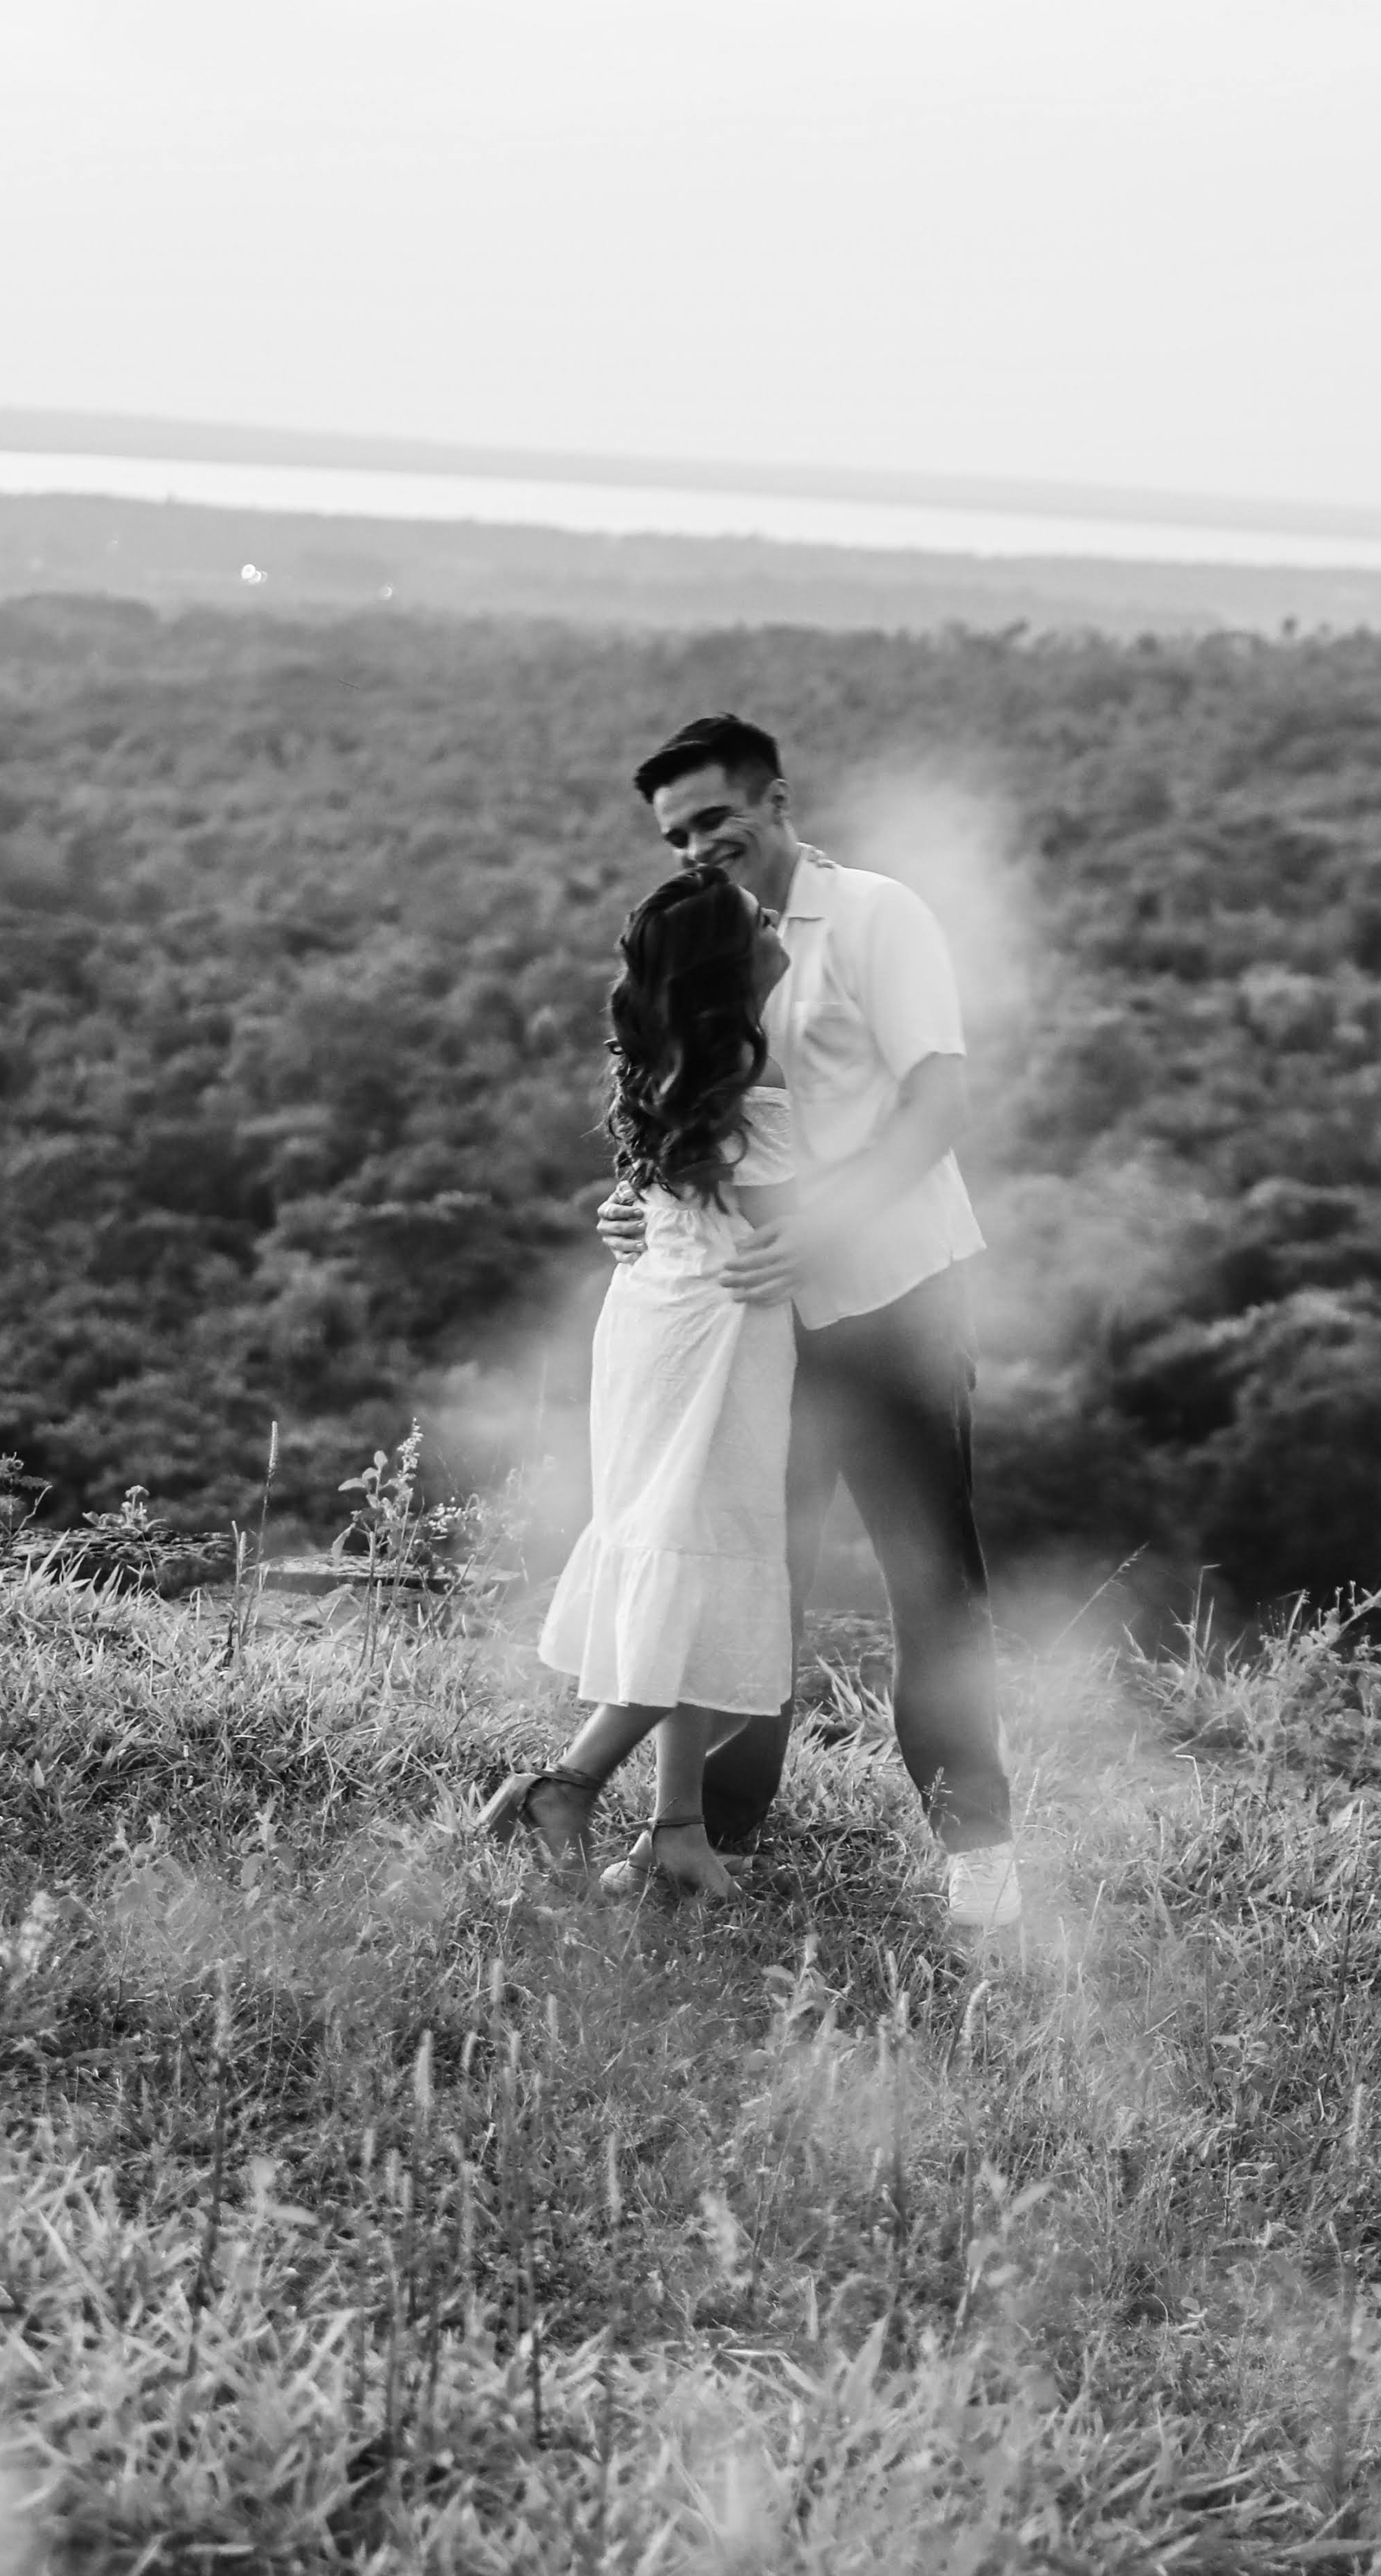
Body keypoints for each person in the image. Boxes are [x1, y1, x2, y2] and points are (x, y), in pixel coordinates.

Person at [598, 711, 1020, 1935]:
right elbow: (685, 1108)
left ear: (776, 801)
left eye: (714, 819)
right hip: (752, 1327)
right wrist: (641, 1209)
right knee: (750, 1572)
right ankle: (716, 1835)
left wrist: (828, 1226)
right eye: (677, 836)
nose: (696, 847)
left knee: (929, 1577)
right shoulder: (702, 936)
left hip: (890, 1298)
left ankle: (980, 1854)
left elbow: (939, 1097)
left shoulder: (879, 916)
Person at [481, 868, 796, 1904]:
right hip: (714, 1337)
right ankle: (564, 1785)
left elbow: (665, 1192)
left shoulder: (678, 1072)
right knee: (695, 1549)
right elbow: (812, 1220)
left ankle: (678, 1830)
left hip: (660, 1321)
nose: (774, 921)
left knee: (683, 1551)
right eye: (756, 920)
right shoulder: (751, 1079)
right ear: (729, 966)